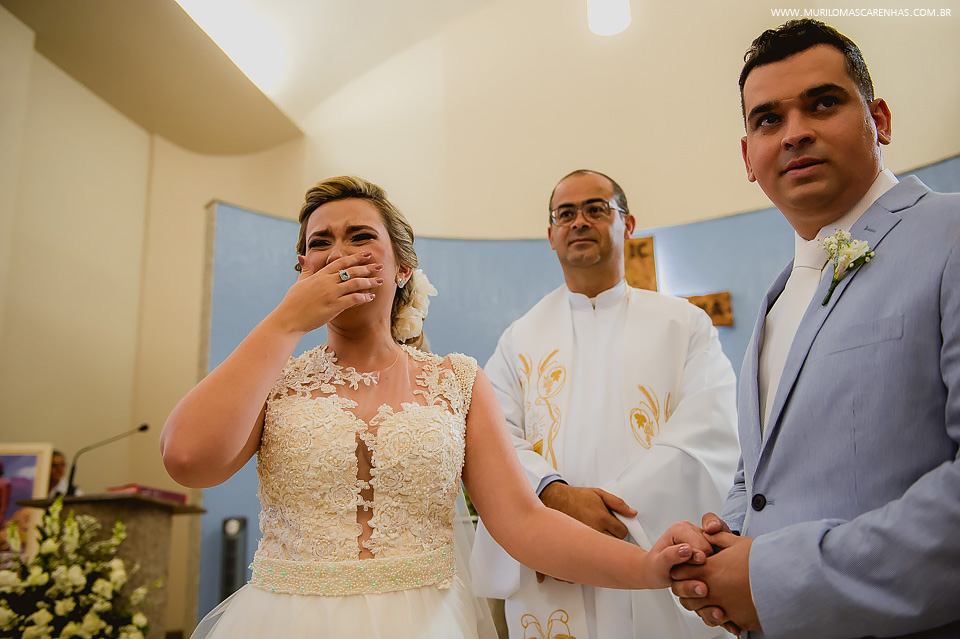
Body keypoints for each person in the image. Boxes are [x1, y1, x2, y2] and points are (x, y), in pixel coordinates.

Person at [160, 175, 713, 639]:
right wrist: (285, 322)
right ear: (304, 267)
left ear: (402, 269)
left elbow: (523, 522)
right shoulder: (274, 380)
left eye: (360, 236)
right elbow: (187, 459)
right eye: (321, 242)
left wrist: (646, 567)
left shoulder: (457, 381)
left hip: (422, 623)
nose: (340, 254)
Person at [671, 19, 960, 638]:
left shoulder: (950, 235)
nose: (795, 132)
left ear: (879, 120)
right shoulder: (778, 297)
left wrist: (770, 579)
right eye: (768, 119)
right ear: (748, 157)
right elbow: (759, 473)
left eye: (824, 103)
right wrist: (721, 545)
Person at [470, 169, 740, 638]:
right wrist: (553, 500)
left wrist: (611, 515)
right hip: (551, 561)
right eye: (565, 214)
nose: (579, 222)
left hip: (654, 549)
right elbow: (492, 437)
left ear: (627, 225)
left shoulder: (684, 325)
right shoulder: (519, 339)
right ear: (551, 234)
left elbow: (708, 431)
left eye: (596, 209)